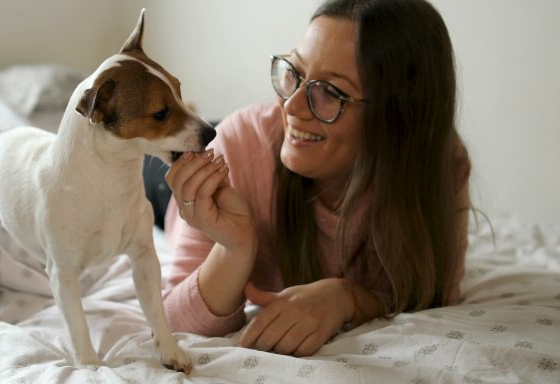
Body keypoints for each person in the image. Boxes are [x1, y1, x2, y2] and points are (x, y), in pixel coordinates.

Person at [162, 0, 471, 357]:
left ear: (397, 117)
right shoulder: (236, 146)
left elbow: (436, 293)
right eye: (294, 71)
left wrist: (349, 298)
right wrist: (233, 249)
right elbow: (175, 320)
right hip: (186, 180)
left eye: (330, 92)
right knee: (142, 157)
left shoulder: (440, 164)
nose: (292, 106)